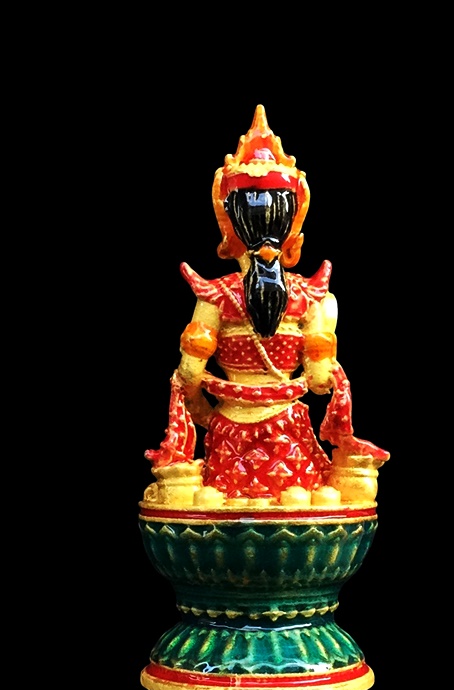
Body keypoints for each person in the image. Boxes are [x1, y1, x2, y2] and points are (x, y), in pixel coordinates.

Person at [145, 105, 389, 503]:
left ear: (229, 224)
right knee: (303, 500)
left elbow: (188, 375)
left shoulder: (216, 296)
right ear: (293, 223)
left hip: (228, 432)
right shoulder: (310, 297)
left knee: (219, 502)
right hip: (287, 431)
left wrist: (206, 412)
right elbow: (320, 380)